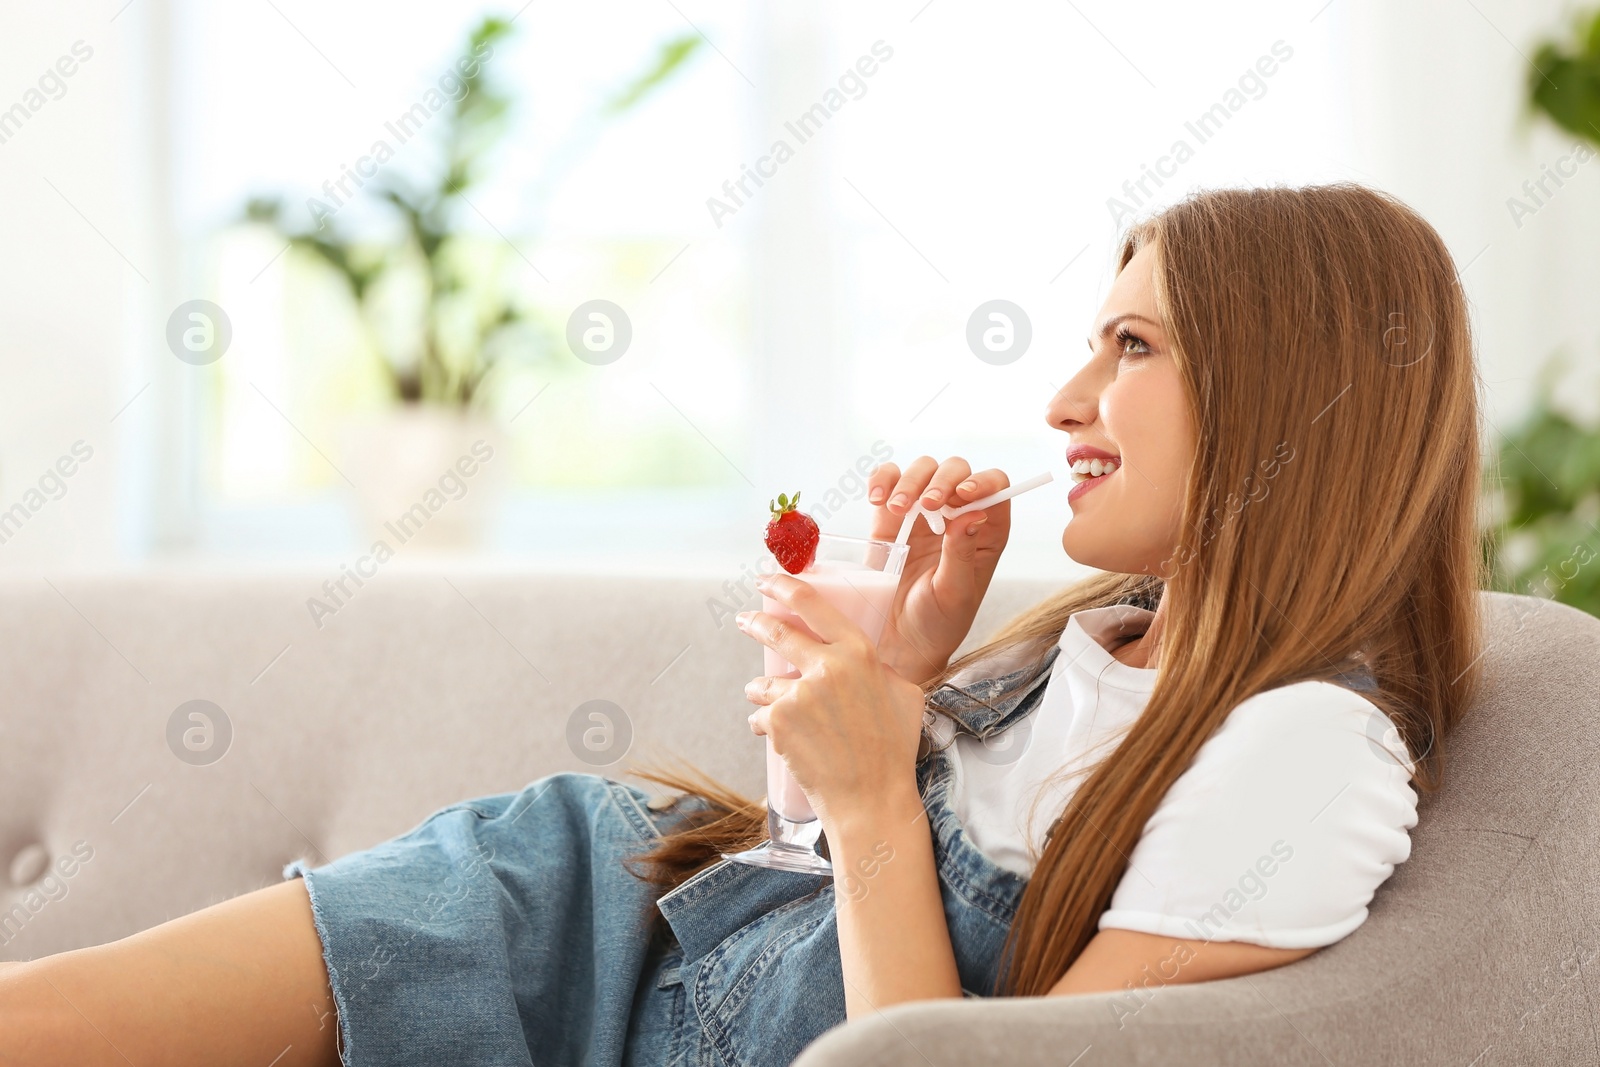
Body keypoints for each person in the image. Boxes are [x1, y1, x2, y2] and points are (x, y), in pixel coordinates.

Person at [0, 183, 1486, 1066]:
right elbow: (817, 874)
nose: (1063, 400)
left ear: (1298, 394)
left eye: (1134, 346)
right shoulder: (1107, 643)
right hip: (595, 905)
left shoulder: (1305, 753)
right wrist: (905, 677)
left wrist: (873, 788)